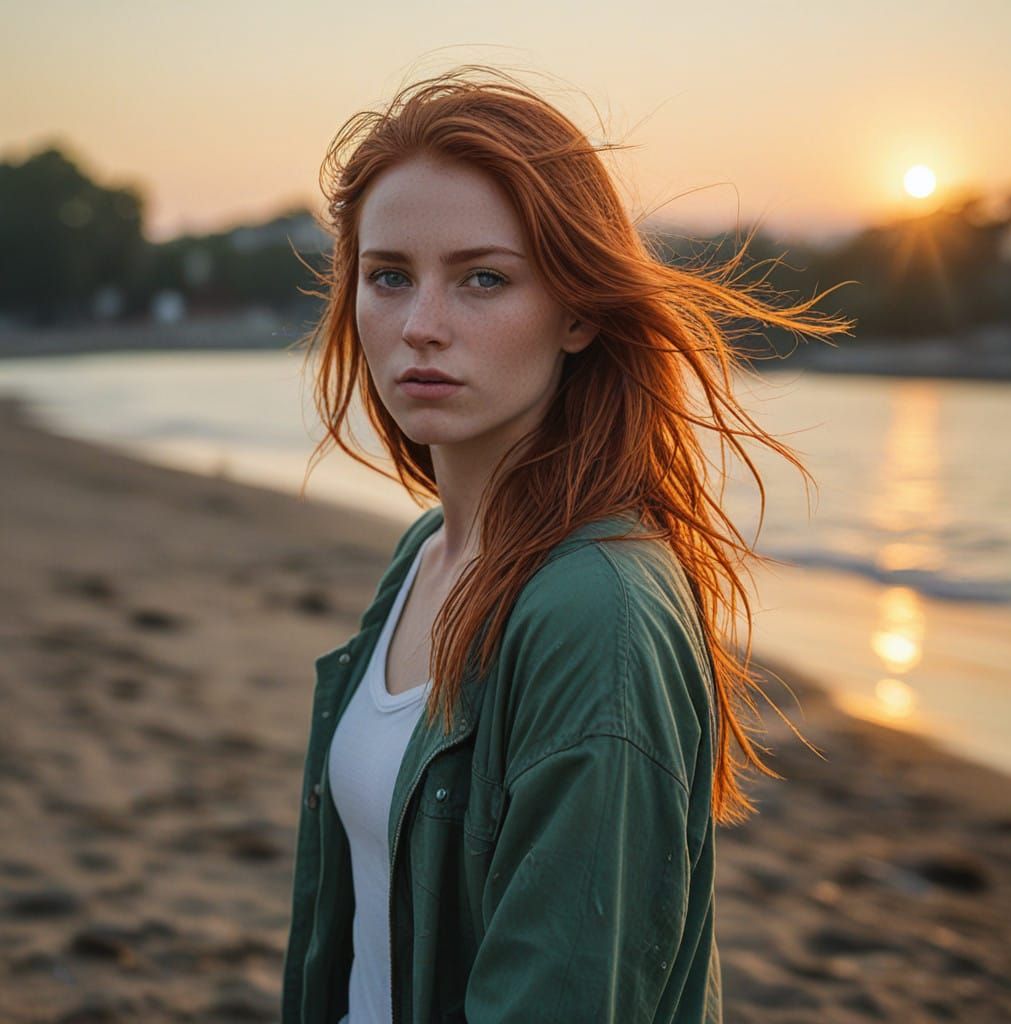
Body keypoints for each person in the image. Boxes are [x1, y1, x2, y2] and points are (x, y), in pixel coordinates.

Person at [281, 65, 853, 1024]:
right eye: (389, 277)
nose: (421, 326)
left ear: (579, 311)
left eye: (484, 279)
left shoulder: (597, 611)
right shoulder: (423, 555)